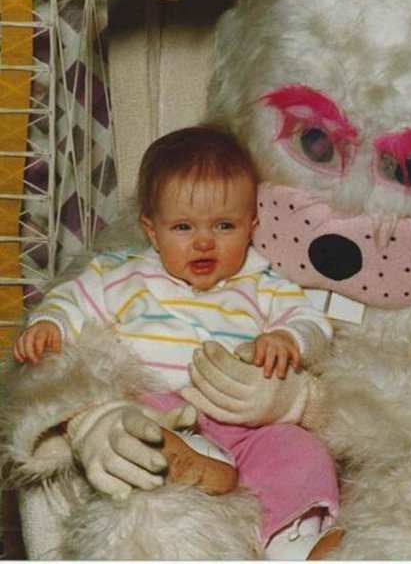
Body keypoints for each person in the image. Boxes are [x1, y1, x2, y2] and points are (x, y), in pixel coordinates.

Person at [13, 125, 341, 560]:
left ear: (251, 227)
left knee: (300, 451)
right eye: (183, 227)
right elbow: (70, 299)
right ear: (152, 231)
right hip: (163, 405)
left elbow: (311, 322)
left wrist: (287, 337)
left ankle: (295, 540)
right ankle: (186, 458)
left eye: (224, 225)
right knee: (142, 429)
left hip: (247, 423)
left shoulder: (263, 282)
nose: (204, 241)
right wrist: (50, 323)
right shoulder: (122, 274)